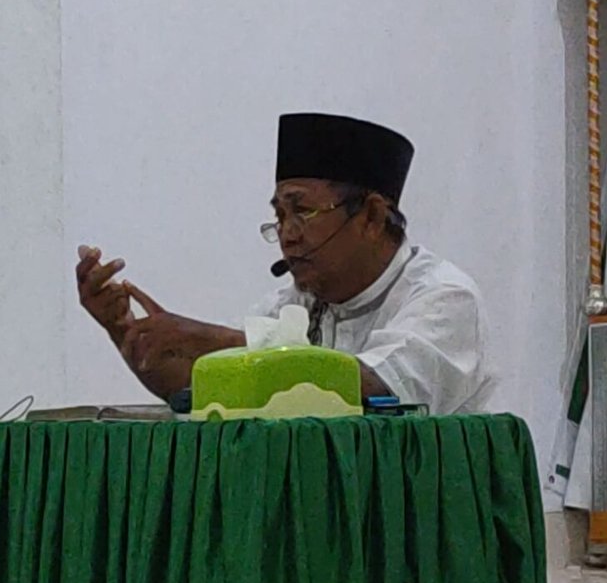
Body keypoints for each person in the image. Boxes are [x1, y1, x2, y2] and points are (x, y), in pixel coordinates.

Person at [76, 112, 500, 415]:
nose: (287, 233)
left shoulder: (443, 298)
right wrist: (125, 329)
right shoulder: (294, 303)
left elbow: (373, 391)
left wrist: (208, 340)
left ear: (371, 216)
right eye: (279, 216)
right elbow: (198, 392)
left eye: (302, 211)